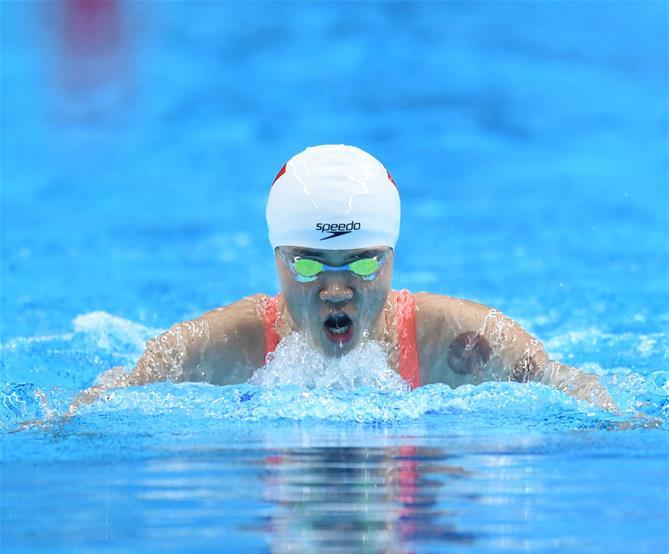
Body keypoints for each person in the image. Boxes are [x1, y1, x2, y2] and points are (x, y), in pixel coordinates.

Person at [72, 144, 618, 412]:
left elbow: (572, 387)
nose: (336, 289)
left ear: (392, 256)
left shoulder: (457, 339)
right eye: (308, 264)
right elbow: (104, 397)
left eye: (362, 262)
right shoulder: (215, 347)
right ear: (278, 259)